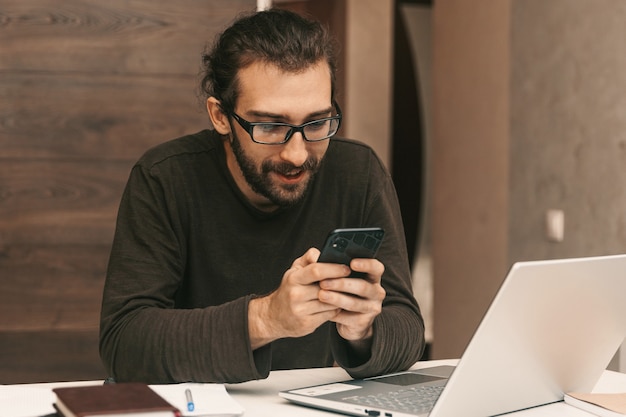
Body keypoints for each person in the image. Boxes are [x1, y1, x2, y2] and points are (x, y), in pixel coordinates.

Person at [99, 8, 425, 384]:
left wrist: (363, 331)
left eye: (317, 123)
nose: (297, 154)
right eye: (271, 126)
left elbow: (407, 328)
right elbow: (124, 343)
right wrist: (268, 318)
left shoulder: (358, 173)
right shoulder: (165, 177)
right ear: (221, 116)